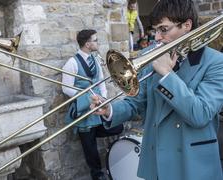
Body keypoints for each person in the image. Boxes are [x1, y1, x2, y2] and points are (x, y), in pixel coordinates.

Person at [91, 0, 223, 180]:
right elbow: (137, 103)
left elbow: (200, 114)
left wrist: (167, 75)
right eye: (156, 31)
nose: (157, 38)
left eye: (164, 29)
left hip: (191, 162)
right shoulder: (156, 56)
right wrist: (109, 110)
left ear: (187, 25)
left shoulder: (215, 62)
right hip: (157, 159)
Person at [62, 29, 123, 180]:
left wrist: (103, 98)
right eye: (95, 40)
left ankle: (111, 153)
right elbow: (66, 88)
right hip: (84, 109)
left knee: (117, 126)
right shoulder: (72, 62)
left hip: (99, 106)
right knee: (90, 147)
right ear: (88, 44)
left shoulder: (95, 60)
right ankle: (97, 175)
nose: (97, 43)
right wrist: (87, 98)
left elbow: (101, 82)